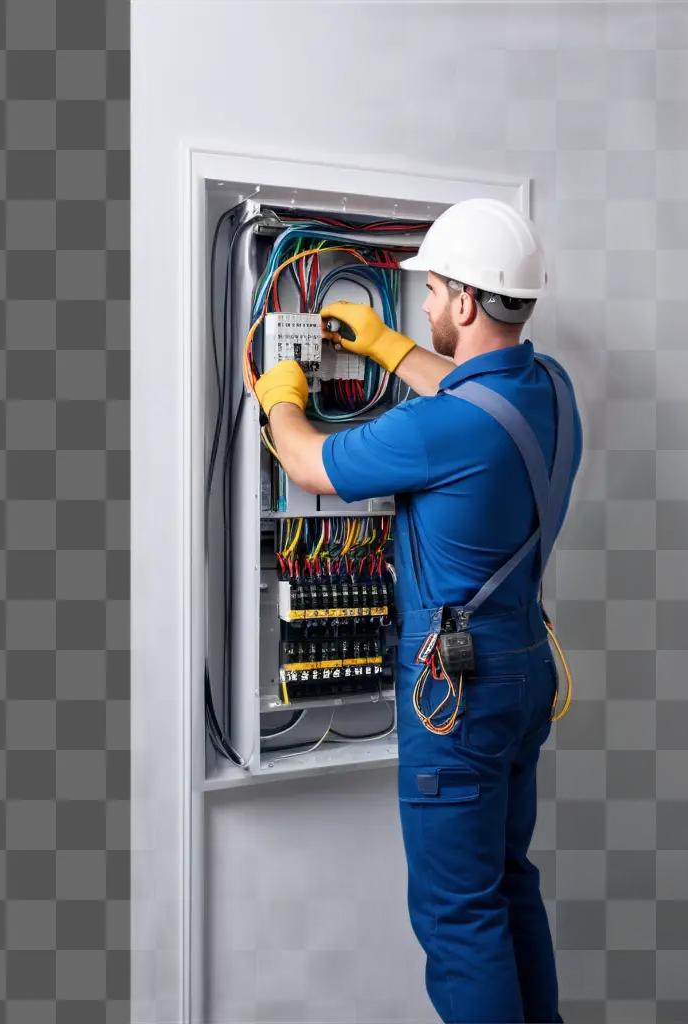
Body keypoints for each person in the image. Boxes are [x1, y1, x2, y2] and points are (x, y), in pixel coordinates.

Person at [253, 197, 582, 1024]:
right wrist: (393, 348)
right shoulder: (550, 390)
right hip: (522, 667)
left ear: (467, 303)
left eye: (431, 293)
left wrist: (281, 393)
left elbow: (308, 462)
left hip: (455, 697)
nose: (426, 306)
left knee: (458, 917)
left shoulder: (439, 432)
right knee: (507, 887)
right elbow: (476, 397)